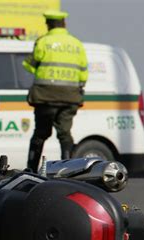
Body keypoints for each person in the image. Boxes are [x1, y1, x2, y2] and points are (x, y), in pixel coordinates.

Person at [23, 10, 88, 172]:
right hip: (70, 97)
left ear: (48, 24)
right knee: (65, 134)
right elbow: (83, 73)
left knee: (40, 134)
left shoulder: (43, 42)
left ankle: (31, 169)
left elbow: (29, 64)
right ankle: (68, 171)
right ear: (64, 24)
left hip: (45, 96)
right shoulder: (76, 44)